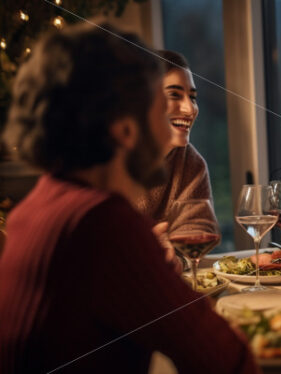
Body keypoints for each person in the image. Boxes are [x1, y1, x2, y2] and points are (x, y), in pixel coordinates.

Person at [0, 23, 257, 373]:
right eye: (156, 102)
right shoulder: (105, 224)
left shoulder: (37, 206)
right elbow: (225, 360)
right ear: (124, 128)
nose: (179, 116)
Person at [133, 50, 217, 270]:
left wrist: (176, 260)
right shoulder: (106, 162)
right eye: (174, 95)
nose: (190, 109)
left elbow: (197, 235)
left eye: (193, 97)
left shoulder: (192, 165)